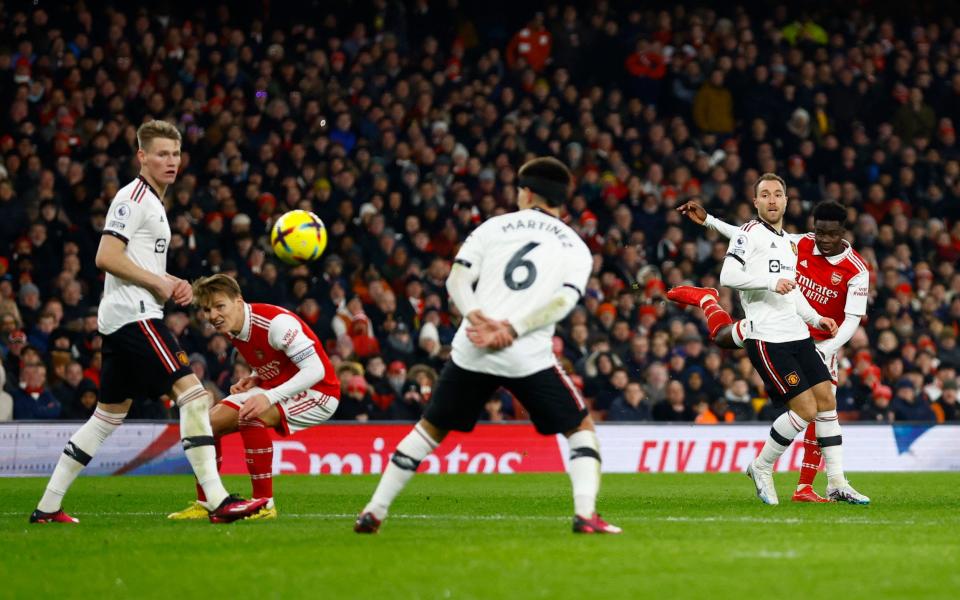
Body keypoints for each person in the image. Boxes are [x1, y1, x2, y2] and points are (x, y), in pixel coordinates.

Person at [354, 157, 620, 534]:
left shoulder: (493, 227)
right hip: (525, 355)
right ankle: (585, 515)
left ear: (526, 193)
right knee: (580, 428)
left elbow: (456, 280)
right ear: (561, 199)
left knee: (430, 429)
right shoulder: (575, 246)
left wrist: (474, 315)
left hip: (473, 346)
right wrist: (513, 329)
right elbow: (565, 301)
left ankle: (374, 510)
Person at [31, 121, 268, 524]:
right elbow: (105, 256)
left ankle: (48, 506)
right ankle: (217, 499)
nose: (171, 161)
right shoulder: (132, 197)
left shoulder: (154, 202)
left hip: (129, 313)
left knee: (106, 417)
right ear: (142, 157)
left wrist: (168, 281)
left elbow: (133, 262)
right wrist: (159, 281)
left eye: (175, 154)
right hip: (133, 316)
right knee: (194, 397)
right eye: (161, 154)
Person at [665, 173, 868, 505]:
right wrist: (770, 283)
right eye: (765, 195)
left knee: (826, 402)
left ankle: (835, 482)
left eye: (778, 194)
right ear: (756, 202)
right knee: (804, 410)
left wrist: (816, 318)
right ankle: (762, 467)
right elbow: (728, 275)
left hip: (799, 334)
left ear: (786, 201)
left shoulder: (791, 242)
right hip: (768, 338)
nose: (772, 200)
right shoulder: (748, 233)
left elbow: (794, 291)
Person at [167, 274, 340, 520]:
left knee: (251, 414)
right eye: (207, 309)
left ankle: (264, 504)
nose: (212, 315)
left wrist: (268, 397)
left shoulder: (276, 324)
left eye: (219, 306)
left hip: (319, 392)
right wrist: (255, 376)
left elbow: (315, 370)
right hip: (278, 386)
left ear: (239, 301)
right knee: (207, 425)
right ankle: (208, 502)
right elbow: (273, 357)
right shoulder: (232, 326)